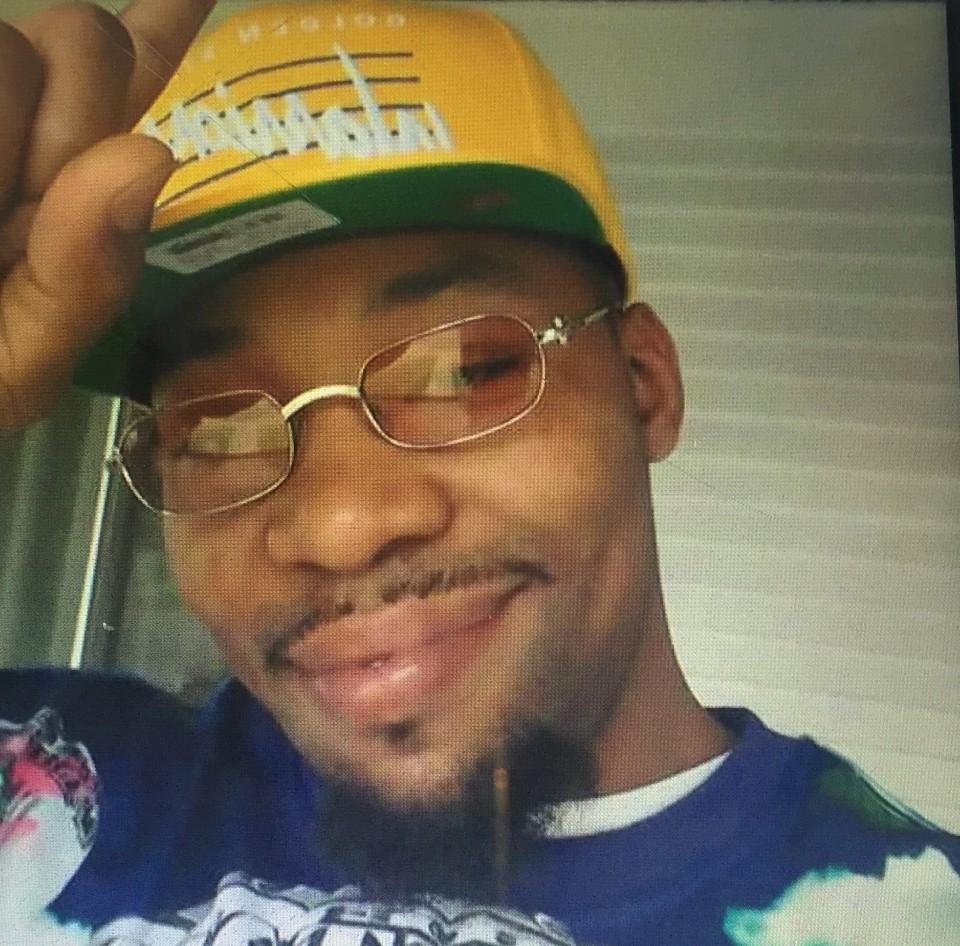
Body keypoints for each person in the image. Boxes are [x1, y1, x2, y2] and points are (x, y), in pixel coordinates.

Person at [0, 1, 957, 944]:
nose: (340, 528)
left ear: (644, 387)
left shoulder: (904, 913)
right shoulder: (52, 799)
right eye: (216, 431)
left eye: (465, 372)